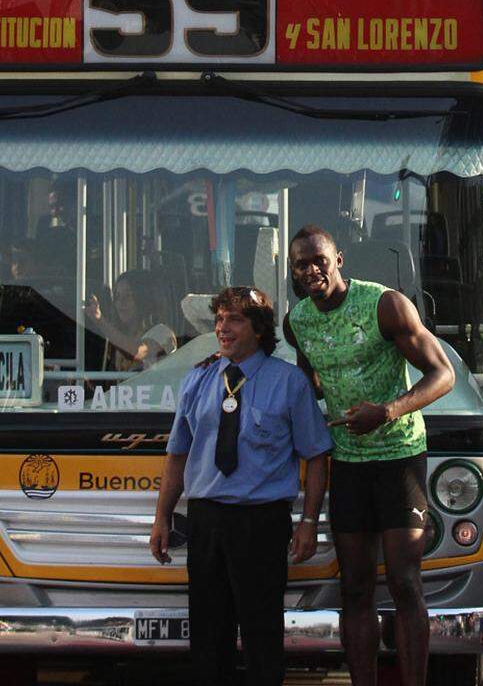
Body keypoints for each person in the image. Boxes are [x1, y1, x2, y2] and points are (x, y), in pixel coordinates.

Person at [285, 226, 454, 686]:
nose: (312, 270)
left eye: (320, 260)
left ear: (338, 259)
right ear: (295, 273)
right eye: (302, 264)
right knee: (355, 588)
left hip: (399, 457)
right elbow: (311, 383)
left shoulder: (385, 304)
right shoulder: (296, 321)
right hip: (348, 463)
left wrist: (388, 411)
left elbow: (443, 375)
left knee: (404, 583)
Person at [151, 287, 331, 686]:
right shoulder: (198, 379)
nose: (223, 328)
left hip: (261, 522)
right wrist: (162, 517)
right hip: (206, 520)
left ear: (259, 328)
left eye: (234, 320)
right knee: (208, 635)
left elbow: (316, 455)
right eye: (219, 320)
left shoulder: (288, 382)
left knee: (261, 633)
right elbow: (178, 454)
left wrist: (308, 523)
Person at [85, 270, 177, 371]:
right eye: (117, 296)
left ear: (144, 299)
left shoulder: (163, 333)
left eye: (128, 296)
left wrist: (99, 320)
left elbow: (136, 351)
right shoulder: (118, 335)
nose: (121, 302)